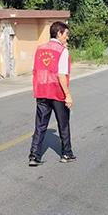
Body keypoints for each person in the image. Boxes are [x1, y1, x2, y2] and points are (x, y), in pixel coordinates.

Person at [28, 21, 75, 166]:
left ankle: (34, 156)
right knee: (63, 124)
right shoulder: (62, 51)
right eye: (66, 34)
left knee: (40, 125)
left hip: (41, 91)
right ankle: (66, 153)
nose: (67, 38)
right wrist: (67, 94)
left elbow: (36, 70)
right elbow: (61, 74)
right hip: (57, 91)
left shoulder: (40, 49)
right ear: (59, 33)